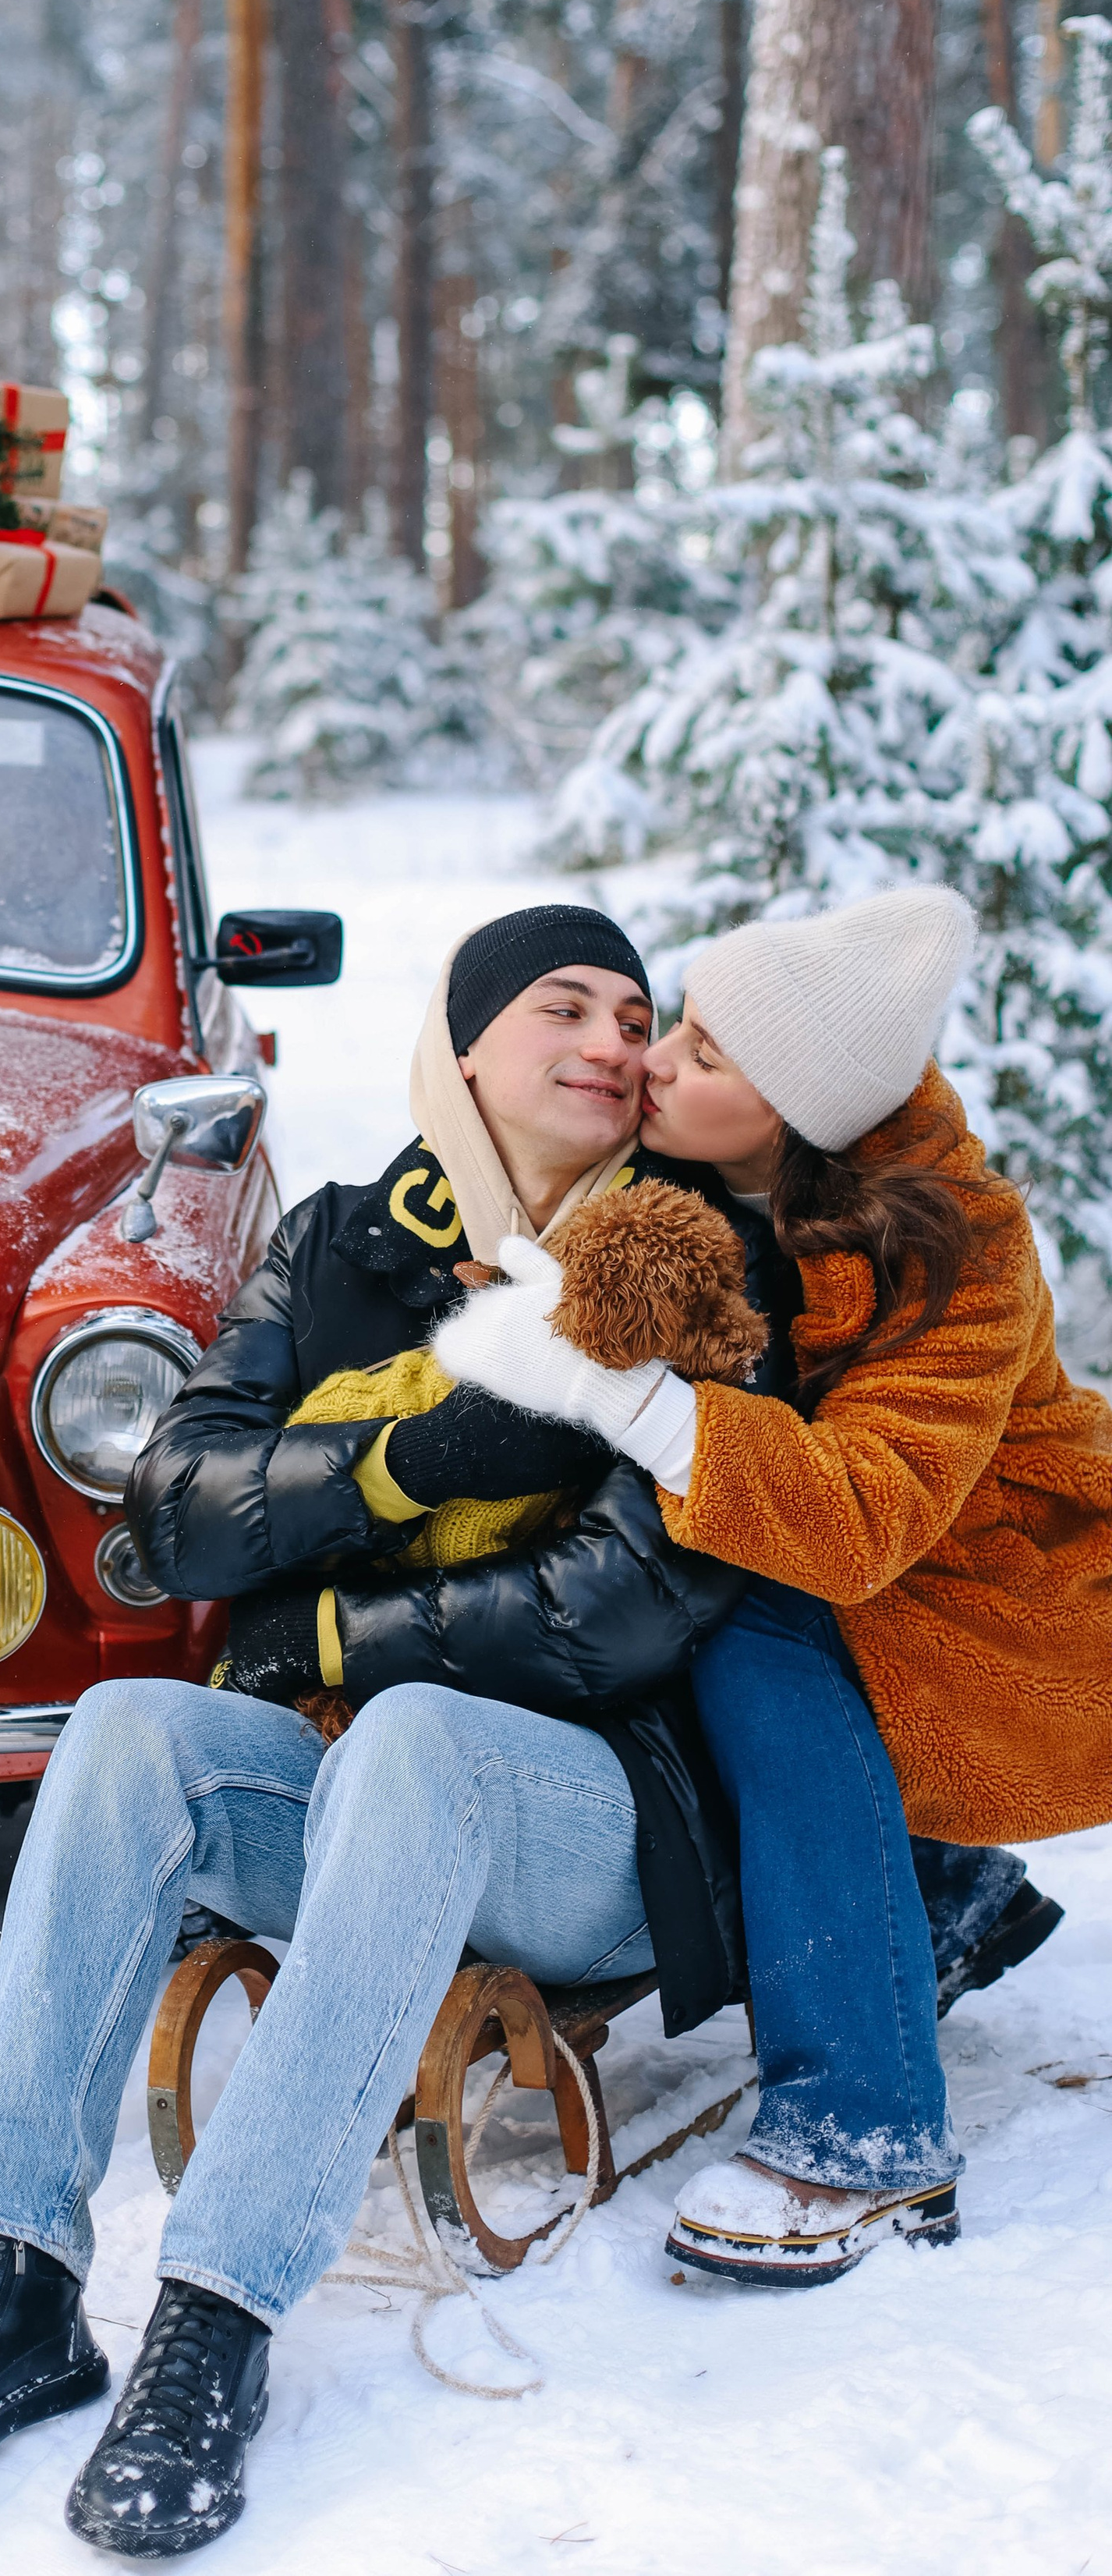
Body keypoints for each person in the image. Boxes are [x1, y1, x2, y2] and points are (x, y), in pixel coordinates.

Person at [0, 908, 1038, 2550]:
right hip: (361, 1796)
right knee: (120, 1731)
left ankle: (216, 2321)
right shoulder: (336, 1246)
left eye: (635, 1016)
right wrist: (401, 1463)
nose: (614, 1041)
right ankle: (5, 2278)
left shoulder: (686, 1271)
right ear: (464, 1046)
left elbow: (618, 1609)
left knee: (415, 1738)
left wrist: (321, 1621)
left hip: (588, 1829)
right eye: (565, 1005)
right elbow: (168, 1515)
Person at [438, 886, 1110, 2284]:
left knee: (755, 1632)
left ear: (800, 1116)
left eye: (705, 1052)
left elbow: (862, 1516)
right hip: (833, 1546)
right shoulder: (686, 1174)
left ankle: (865, 2134)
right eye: (674, 1023)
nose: (658, 1062)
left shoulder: (964, 1244)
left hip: (994, 1596)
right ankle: (934, 1895)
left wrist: (620, 1399)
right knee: (677, 1599)